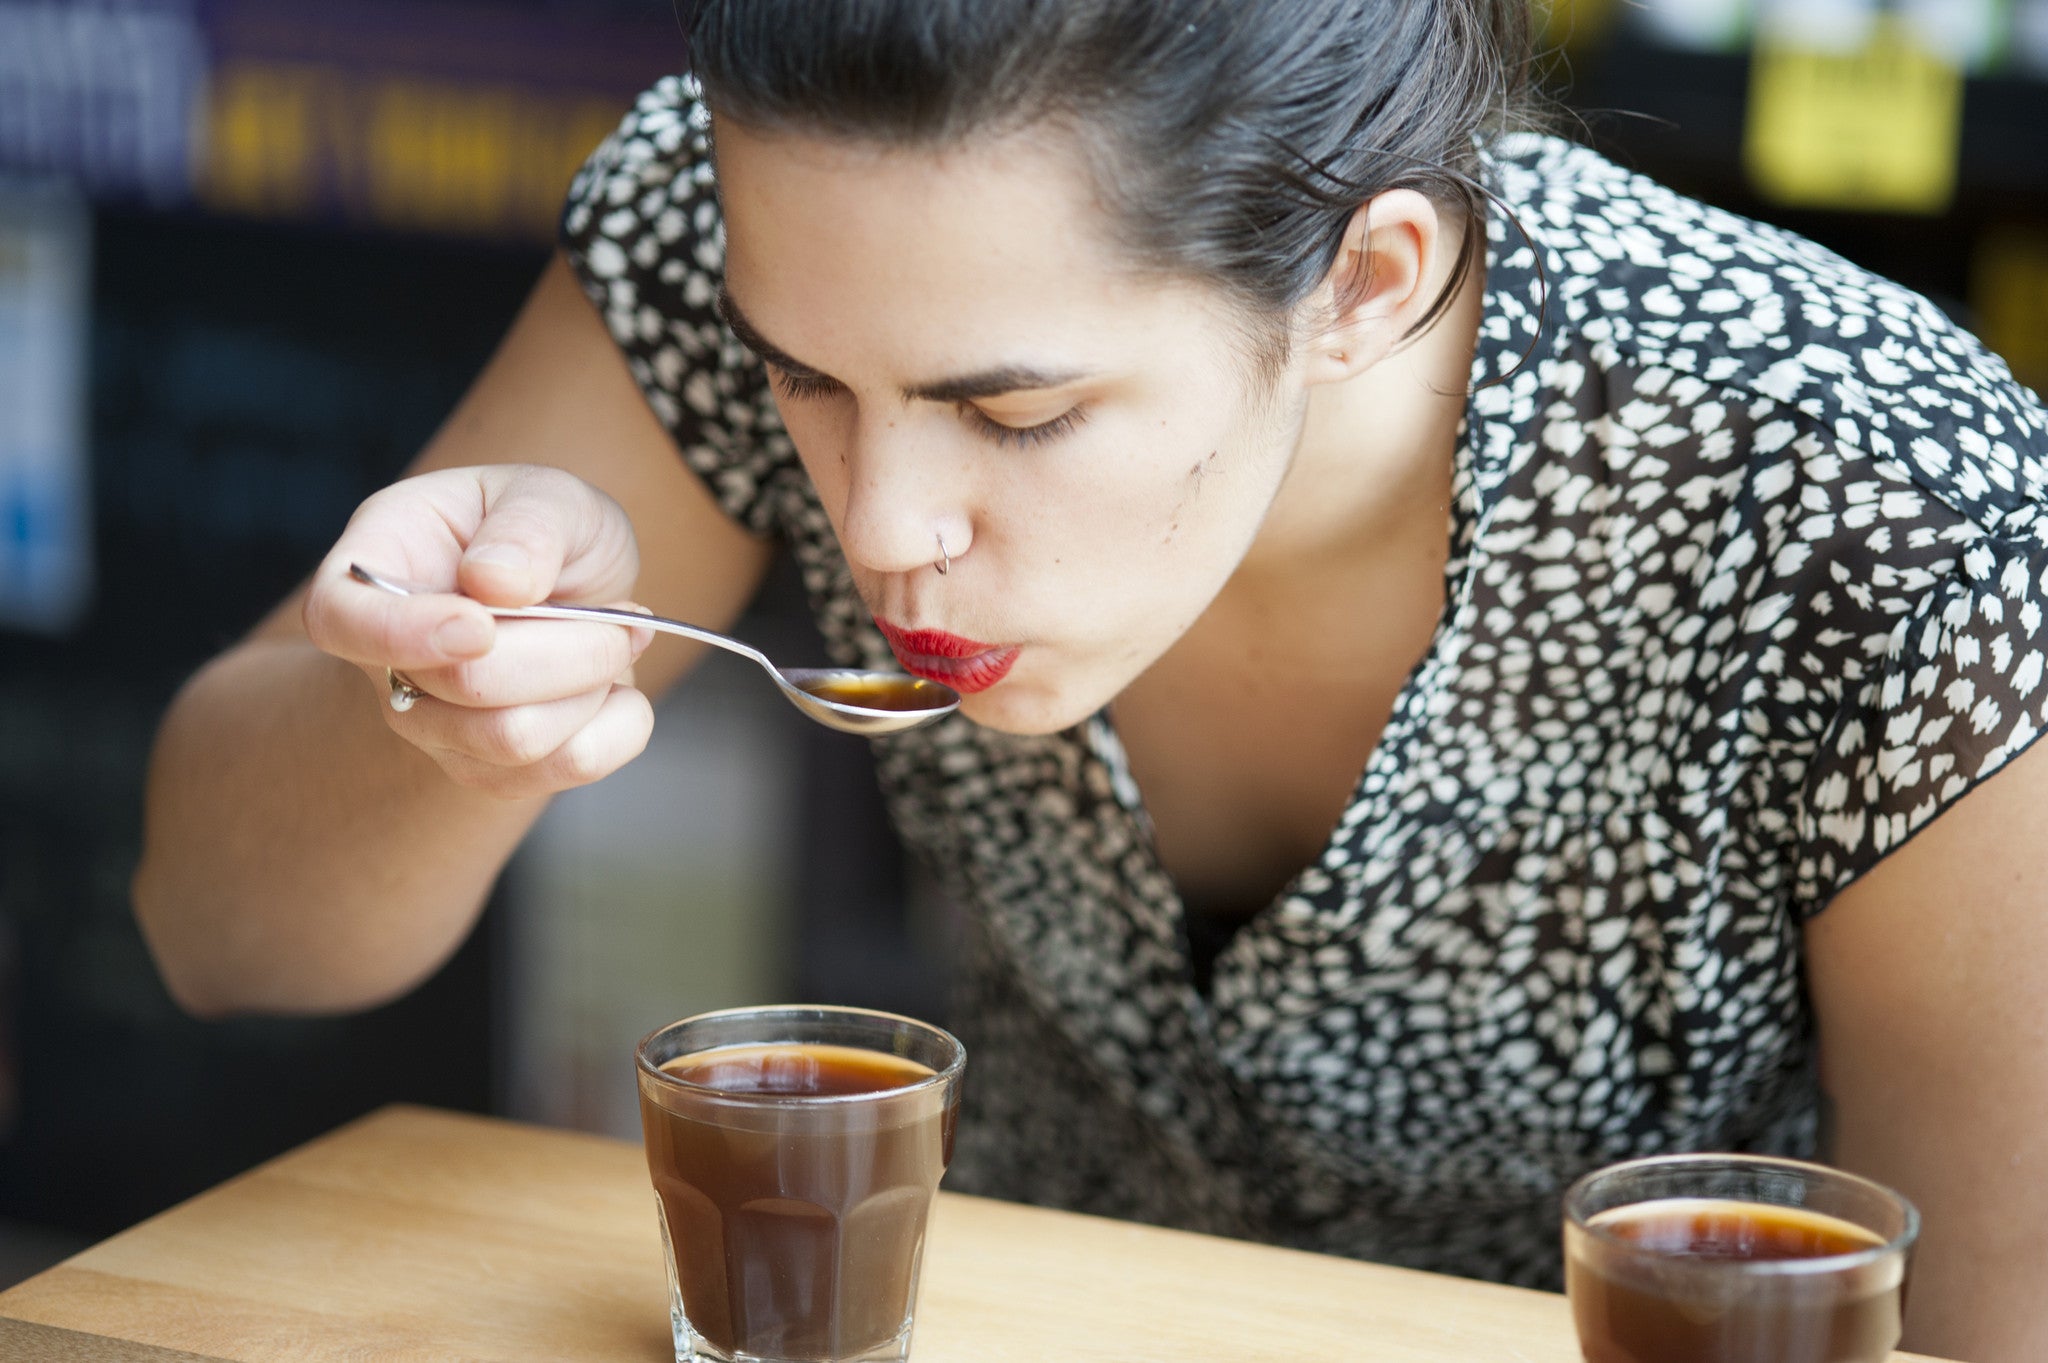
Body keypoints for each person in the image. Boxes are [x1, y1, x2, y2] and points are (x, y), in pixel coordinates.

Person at [133, 2, 2048, 1356]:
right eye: (802, 379)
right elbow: (221, 934)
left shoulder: (1878, 497)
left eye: (1017, 414)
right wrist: (442, 707)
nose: (880, 527)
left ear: (1366, 283)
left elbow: (1991, 1323)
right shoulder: (740, 225)